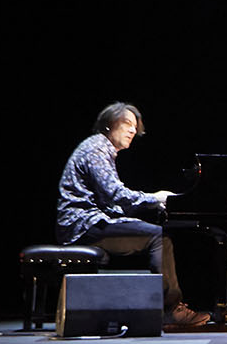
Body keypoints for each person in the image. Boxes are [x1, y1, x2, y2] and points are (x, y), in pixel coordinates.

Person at [56, 102, 210, 328]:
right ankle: (170, 310)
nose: (132, 130)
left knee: (149, 233)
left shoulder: (102, 150)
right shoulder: (97, 148)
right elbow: (116, 193)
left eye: (134, 126)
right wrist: (155, 198)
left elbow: (110, 202)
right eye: (127, 123)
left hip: (89, 222)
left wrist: (143, 210)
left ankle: (146, 308)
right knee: (159, 238)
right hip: (83, 225)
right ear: (109, 125)